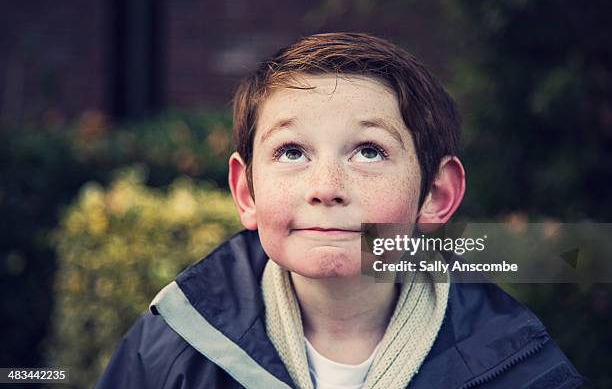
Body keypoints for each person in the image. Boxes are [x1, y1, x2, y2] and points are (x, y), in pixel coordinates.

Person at [95, 33, 584, 388]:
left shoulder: (522, 369)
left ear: (436, 195)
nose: (326, 189)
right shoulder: (173, 351)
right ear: (246, 192)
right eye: (291, 152)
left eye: (369, 151)